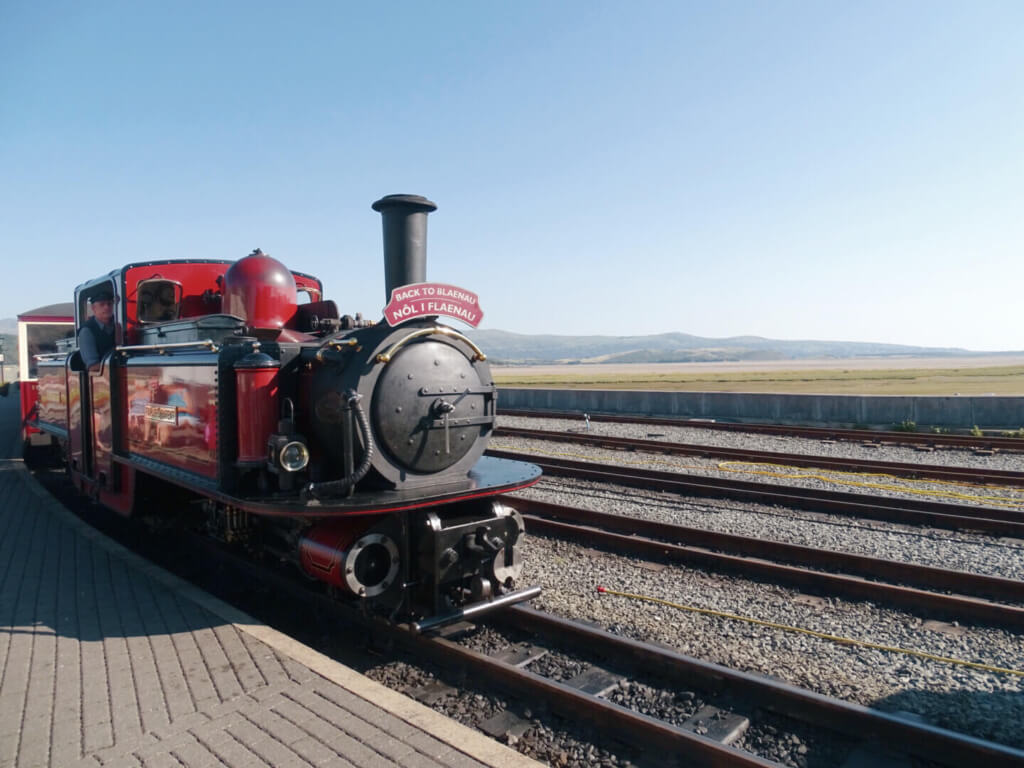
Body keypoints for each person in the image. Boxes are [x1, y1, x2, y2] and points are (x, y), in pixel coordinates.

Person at [79, 289, 116, 368]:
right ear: (93, 308)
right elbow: (93, 366)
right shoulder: (87, 331)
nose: (107, 307)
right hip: (103, 375)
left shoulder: (119, 326)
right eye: (102, 304)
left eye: (109, 304)